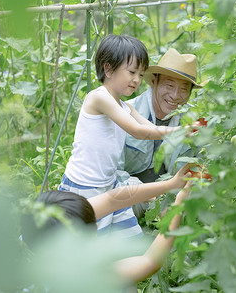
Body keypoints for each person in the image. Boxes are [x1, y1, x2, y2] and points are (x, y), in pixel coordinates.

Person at [59, 35, 182, 238]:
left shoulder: (124, 106)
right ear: (108, 69)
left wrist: (185, 132)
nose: (136, 80)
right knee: (86, 242)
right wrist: (180, 132)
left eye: (140, 75)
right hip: (86, 186)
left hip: (110, 183)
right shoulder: (99, 97)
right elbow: (139, 131)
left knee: (130, 239)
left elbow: (150, 127)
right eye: (132, 72)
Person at [22, 167, 192, 290]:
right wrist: (178, 206)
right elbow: (150, 261)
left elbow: (112, 200)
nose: (96, 225)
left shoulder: (54, 222)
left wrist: (171, 184)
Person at [117, 48, 207, 216]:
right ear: (154, 81)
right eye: (170, 85)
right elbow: (112, 175)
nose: (175, 95)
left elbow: (199, 170)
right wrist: (153, 198)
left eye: (183, 89)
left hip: (170, 197)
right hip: (129, 197)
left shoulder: (192, 123)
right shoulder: (125, 112)